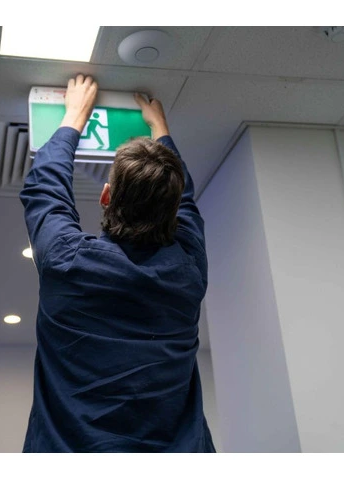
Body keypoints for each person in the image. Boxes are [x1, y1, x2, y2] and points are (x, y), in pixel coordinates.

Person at [19, 74, 215, 452]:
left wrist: (75, 116)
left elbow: (45, 189)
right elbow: (44, 188)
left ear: (106, 196)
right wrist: (160, 130)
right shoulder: (188, 272)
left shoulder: (67, 262)